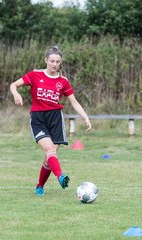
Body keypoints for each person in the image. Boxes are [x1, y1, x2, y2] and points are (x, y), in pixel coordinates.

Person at [10, 46, 92, 196]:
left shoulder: (63, 81)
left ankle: (40, 186)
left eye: (58, 62)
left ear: (60, 63)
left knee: (49, 159)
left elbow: (74, 102)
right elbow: (13, 85)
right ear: (46, 60)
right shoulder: (35, 75)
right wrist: (16, 94)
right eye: (52, 61)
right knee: (50, 150)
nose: (55, 64)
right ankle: (60, 176)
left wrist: (85, 117)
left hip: (56, 119)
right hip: (38, 118)